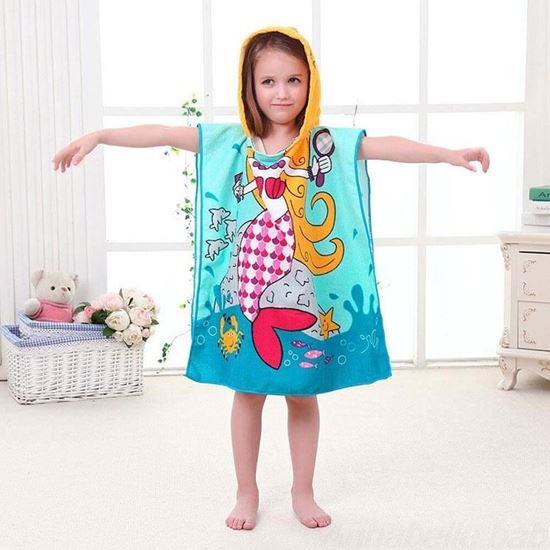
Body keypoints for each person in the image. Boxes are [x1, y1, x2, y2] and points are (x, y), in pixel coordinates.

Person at [52, 26, 490, 532]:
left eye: (293, 80)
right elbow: (161, 134)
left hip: (298, 288)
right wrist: (100, 136)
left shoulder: (323, 145)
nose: (282, 93)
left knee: (302, 392)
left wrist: (447, 154)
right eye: (269, 82)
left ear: (310, 83)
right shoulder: (229, 143)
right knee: (248, 392)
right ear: (250, 86)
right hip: (249, 288)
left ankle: (303, 490)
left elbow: (386, 146)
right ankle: (247, 490)